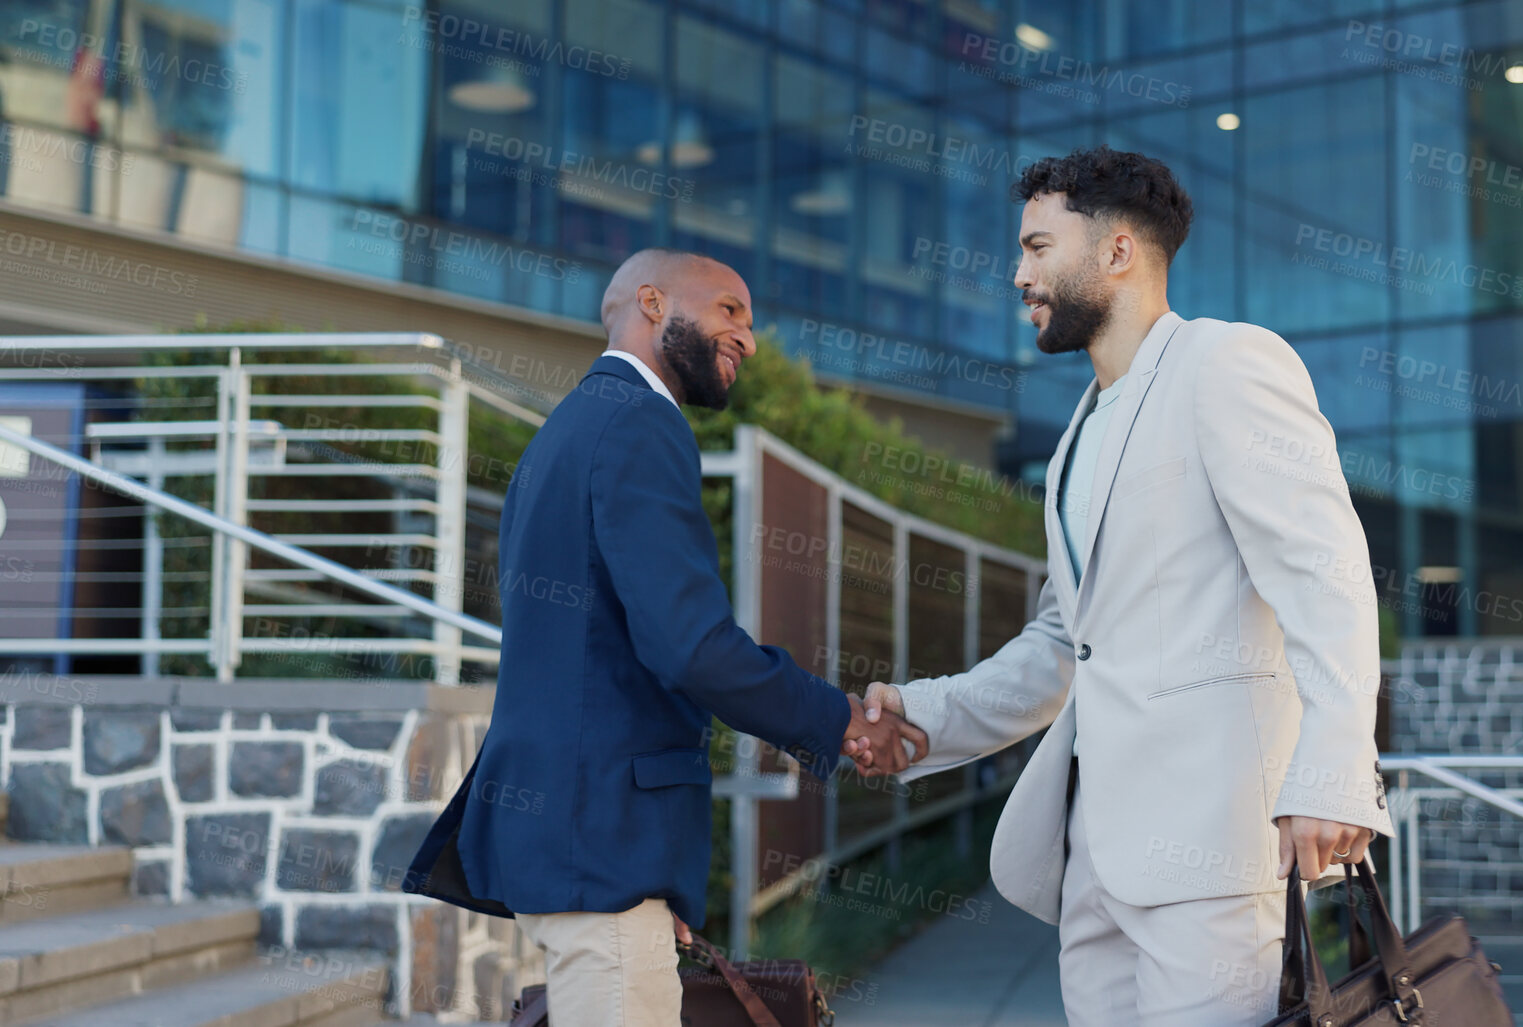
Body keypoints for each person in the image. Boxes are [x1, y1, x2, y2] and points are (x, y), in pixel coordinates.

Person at [861, 147, 1397, 1026]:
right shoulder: (1078, 430)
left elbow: (1324, 569)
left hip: (1211, 851)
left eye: (1038, 247)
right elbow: (1063, 643)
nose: (1017, 272)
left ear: (1116, 252)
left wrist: (1335, 771)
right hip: (1096, 861)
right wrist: (927, 717)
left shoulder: (1224, 364)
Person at [404, 249, 928, 1027]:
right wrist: (840, 720)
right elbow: (689, 646)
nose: (748, 337)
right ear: (651, 303)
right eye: (728, 310)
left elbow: (591, 657)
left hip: (591, 850)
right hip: (601, 851)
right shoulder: (639, 425)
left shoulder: (566, 431)